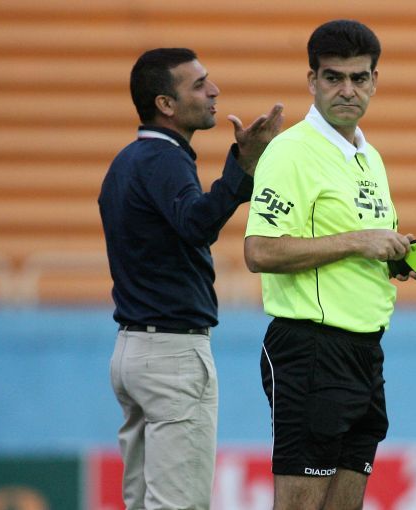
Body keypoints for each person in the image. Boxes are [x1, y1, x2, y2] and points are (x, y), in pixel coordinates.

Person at [244, 19, 416, 510]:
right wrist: (357, 242)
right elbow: (259, 251)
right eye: (334, 77)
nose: (347, 89)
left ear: (374, 81)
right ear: (313, 81)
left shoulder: (370, 158)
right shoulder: (291, 151)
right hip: (311, 348)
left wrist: (395, 259)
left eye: (358, 78)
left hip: (365, 350)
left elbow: (362, 246)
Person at [98, 47, 283, 509]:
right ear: (166, 104)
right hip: (171, 354)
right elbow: (196, 223)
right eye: (199, 84)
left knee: (143, 501)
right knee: (179, 504)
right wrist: (242, 165)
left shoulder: (126, 161)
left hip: (132, 347)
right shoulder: (165, 159)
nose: (213, 91)